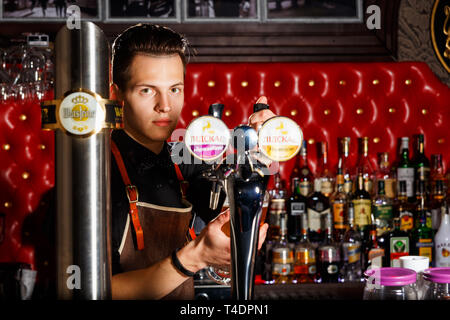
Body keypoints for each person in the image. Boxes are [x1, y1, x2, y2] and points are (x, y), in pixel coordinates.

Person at [110, 23, 275, 300]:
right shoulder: (94, 174)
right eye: (147, 90)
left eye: (175, 89)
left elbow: (232, 217)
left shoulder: (183, 161)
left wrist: (259, 153)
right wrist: (192, 258)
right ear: (116, 95)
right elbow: (86, 292)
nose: (165, 105)